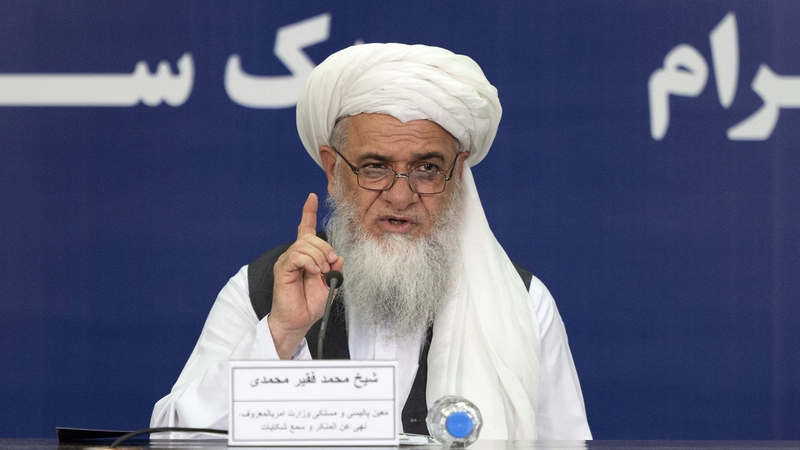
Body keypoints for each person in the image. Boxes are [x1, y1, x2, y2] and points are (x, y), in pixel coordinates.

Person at [151, 43, 591, 440]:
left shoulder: (521, 303)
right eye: (375, 167)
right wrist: (281, 333)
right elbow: (173, 438)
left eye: (427, 169)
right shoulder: (263, 289)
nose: (400, 196)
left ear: (456, 173)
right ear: (333, 169)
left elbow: (567, 443)